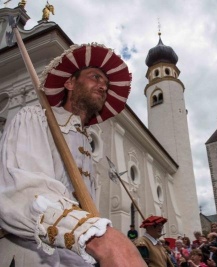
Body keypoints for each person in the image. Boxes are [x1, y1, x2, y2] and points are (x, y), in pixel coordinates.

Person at [0, 44, 146, 267]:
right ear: (69, 83)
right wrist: (99, 238)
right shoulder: (35, 118)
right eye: (95, 77)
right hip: (30, 257)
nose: (103, 86)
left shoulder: (86, 146)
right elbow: (27, 192)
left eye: (106, 84)